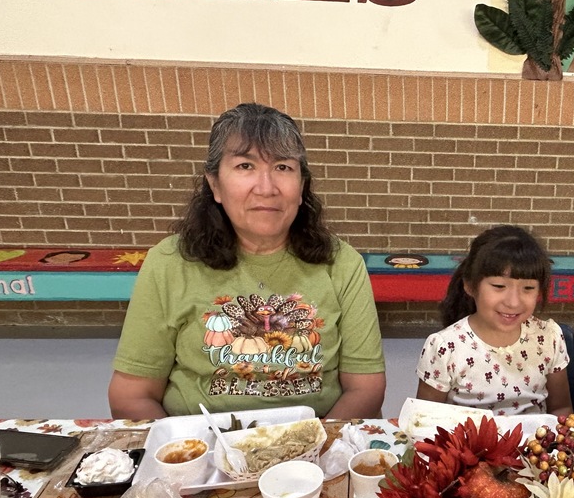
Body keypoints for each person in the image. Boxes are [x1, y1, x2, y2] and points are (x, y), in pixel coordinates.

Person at [108, 103, 386, 420]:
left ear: (302, 186)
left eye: (283, 167)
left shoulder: (342, 263)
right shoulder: (169, 262)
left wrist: (308, 449)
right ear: (215, 185)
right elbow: (131, 396)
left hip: (315, 448)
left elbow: (366, 388)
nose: (266, 188)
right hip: (205, 447)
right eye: (245, 166)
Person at [415, 225, 573, 416]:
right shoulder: (445, 347)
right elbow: (425, 419)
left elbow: (561, 408)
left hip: (533, 443)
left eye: (528, 288)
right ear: (471, 286)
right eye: (499, 286)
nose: (513, 302)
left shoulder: (549, 337)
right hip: (467, 444)